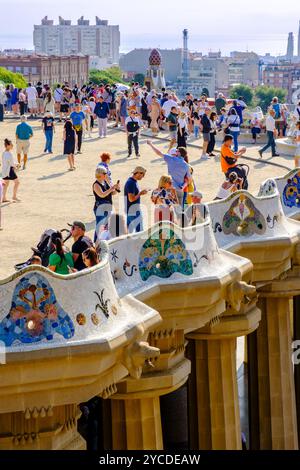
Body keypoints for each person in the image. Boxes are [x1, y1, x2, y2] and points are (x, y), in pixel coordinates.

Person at [147, 141, 192, 209]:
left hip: (170, 189)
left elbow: (159, 153)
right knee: (180, 210)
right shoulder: (186, 165)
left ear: (179, 153)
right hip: (180, 190)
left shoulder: (171, 159)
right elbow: (189, 180)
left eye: (177, 151)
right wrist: (183, 186)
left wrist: (151, 144)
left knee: (167, 209)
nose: (175, 151)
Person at [93, 166, 120, 242]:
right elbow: (102, 194)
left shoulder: (105, 182)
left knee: (107, 226)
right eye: (105, 173)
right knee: (100, 226)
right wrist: (111, 188)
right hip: (100, 208)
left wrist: (116, 189)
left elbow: (112, 193)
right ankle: (97, 242)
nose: (107, 175)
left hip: (108, 207)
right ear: (101, 174)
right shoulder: (96, 184)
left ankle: (104, 241)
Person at [124, 166, 148, 233]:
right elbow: (131, 199)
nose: (142, 177)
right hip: (134, 211)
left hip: (131, 210)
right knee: (140, 232)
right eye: (142, 175)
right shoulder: (131, 183)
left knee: (129, 232)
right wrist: (140, 193)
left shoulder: (133, 181)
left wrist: (140, 192)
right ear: (138, 173)